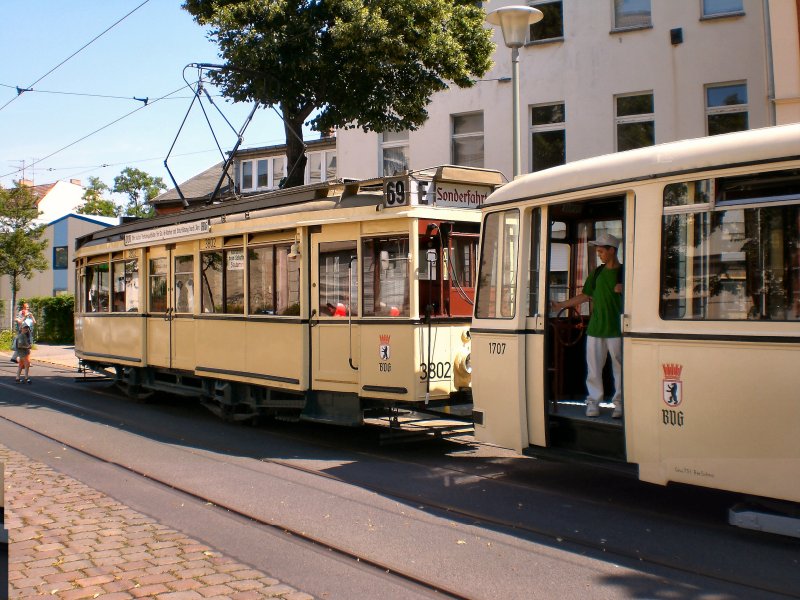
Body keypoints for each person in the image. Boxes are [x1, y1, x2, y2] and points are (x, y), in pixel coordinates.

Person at [552, 233, 624, 418]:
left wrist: (624, 290)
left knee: (619, 369)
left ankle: (620, 404)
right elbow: (585, 295)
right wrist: (561, 305)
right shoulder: (597, 273)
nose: (599, 254)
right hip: (596, 329)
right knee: (594, 369)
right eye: (598, 251)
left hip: (617, 329)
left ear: (612, 251)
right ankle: (593, 402)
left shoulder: (623, 273)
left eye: (601, 251)